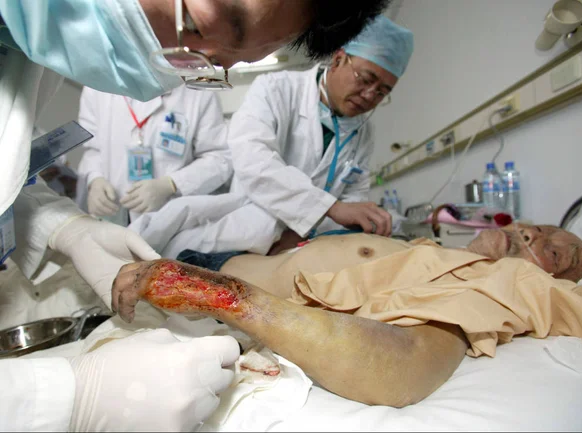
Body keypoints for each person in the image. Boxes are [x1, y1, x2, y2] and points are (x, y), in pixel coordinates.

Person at [0, 0, 391, 430]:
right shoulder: (74, 63)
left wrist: (64, 227)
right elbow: (248, 160)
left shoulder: (23, 56)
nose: (196, 64)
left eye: (225, 63)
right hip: (148, 222)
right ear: (340, 60)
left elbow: (6, 170)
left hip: (169, 219)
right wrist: (63, 396)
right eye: (213, 24)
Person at [111, 223, 582, 408]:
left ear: (551, 285)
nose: (535, 239)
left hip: (194, 293)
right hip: (212, 252)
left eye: (558, 255)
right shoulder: (447, 256)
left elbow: (406, 365)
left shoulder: (488, 289)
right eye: (541, 228)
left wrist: (216, 294)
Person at [129, 15, 414, 258]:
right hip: (246, 231)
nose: (369, 95)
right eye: (365, 80)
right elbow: (253, 161)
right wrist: (329, 208)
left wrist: (354, 219)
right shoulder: (276, 89)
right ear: (339, 59)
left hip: (310, 244)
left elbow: (354, 197)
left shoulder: (364, 132)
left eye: (382, 92)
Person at [77, 84, 230, 225]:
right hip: (114, 214)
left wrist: (172, 184)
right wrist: (94, 179)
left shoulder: (198, 92)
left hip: (173, 220)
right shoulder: (96, 87)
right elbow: (92, 149)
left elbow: (219, 157)